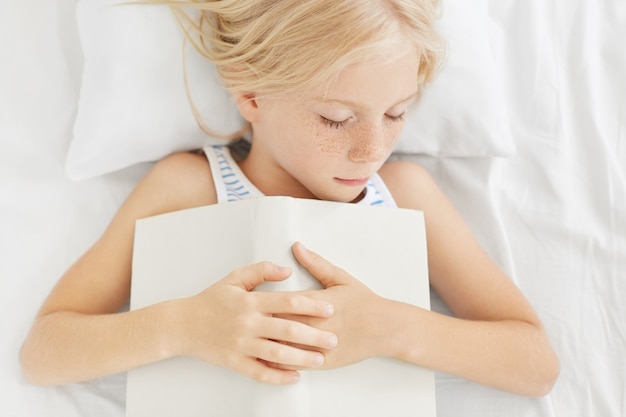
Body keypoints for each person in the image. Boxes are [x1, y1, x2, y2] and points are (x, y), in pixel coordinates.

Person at [19, 0, 559, 397]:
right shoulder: (188, 187)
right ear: (251, 94)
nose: (371, 150)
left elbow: (536, 365)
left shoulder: (405, 194)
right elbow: (45, 353)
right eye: (336, 119)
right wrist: (185, 326)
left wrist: (395, 329)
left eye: (397, 113)